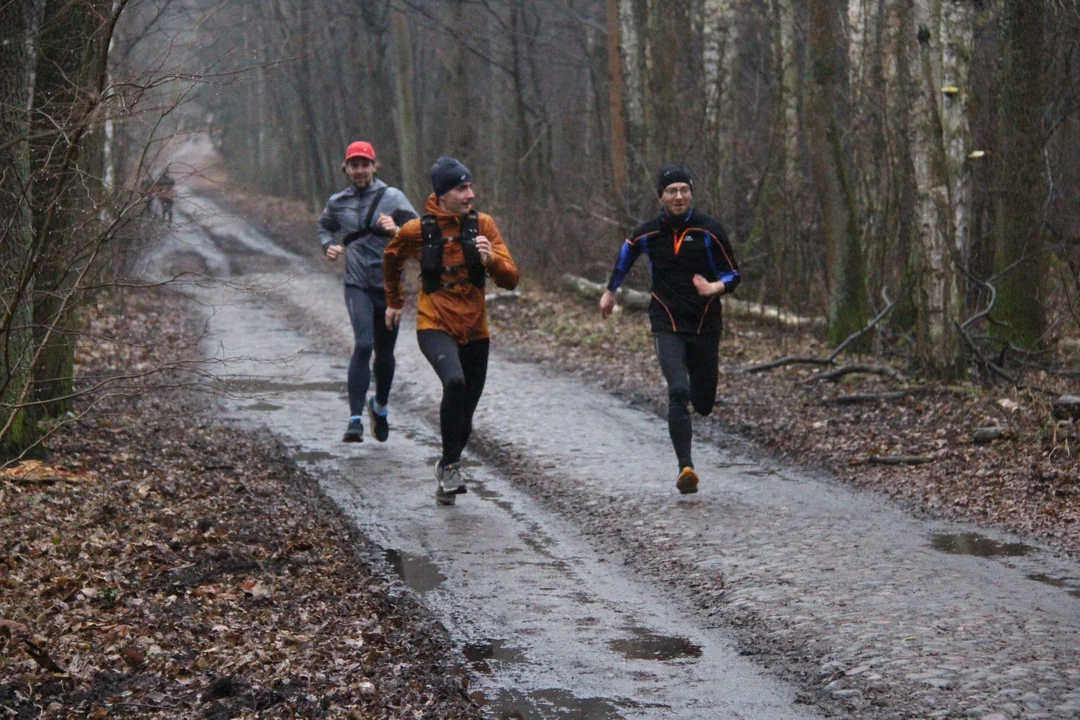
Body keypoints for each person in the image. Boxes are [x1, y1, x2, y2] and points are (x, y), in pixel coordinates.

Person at [383, 157, 519, 505]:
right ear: (442, 194)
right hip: (434, 325)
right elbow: (391, 256)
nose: (470, 194)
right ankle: (451, 468)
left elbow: (511, 279)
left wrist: (491, 261)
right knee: (454, 382)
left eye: (470, 186)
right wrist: (395, 300)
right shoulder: (417, 230)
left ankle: (447, 465)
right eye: (462, 188)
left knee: (466, 416)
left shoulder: (484, 226)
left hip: (476, 329)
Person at [599, 164, 740, 495]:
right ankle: (686, 468)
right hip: (667, 321)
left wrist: (715, 288)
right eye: (671, 191)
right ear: (660, 196)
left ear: (691, 193)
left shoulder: (710, 231)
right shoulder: (647, 233)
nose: (678, 196)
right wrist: (610, 291)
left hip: (705, 323)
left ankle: (694, 396)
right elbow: (624, 257)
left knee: (703, 402)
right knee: (677, 389)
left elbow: (734, 274)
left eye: (684, 190)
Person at [319, 141, 418, 443]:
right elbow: (324, 226)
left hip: (389, 287)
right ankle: (355, 420)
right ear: (346, 168)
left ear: (375, 167)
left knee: (385, 354)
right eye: (354, 165)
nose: (360, 170)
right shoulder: (338, 201)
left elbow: (418, 233)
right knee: (363, 345)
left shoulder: (393, 197)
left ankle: (381, 406)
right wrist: (329, 245)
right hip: (357, 283)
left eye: (365, 164)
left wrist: (396, 230)